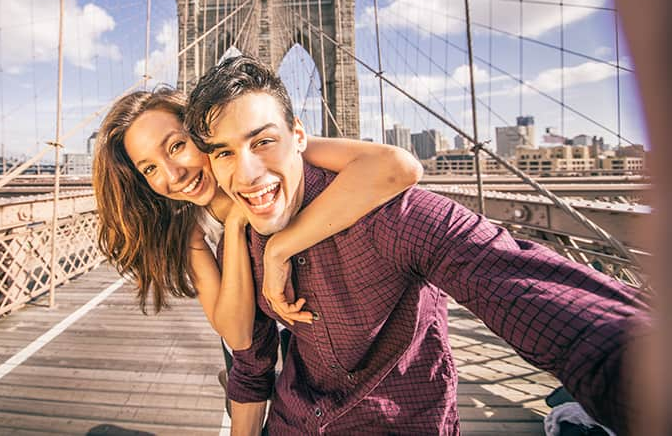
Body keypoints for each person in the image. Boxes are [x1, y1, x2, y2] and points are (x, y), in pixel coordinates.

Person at [183, 55, 651, 435]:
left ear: (300, 136)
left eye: (263, 141)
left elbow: (522, 285)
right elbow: (250, 366)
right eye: (223, 152)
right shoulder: (243, 239)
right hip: (295, 423)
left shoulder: (388, 215)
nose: (245, 174)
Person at [91, 88, 422, 391]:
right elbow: (236, 334)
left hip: (332, 332)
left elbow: (399, 167)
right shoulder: (190, 228)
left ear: (200, 133)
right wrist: (235, 225)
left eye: (177, 146)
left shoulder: (276, 152)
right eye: (149, 169)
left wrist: (279, 248)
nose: (172, 175)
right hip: (255, 359)